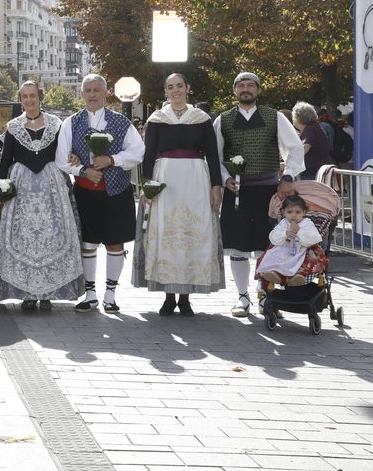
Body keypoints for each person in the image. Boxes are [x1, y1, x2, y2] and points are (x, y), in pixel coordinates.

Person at [131, 74, 224, 316]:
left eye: (179, 86)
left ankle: (185, 297)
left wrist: (216, 186)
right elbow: (148, 155)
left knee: (193, 235)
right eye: (170, 87)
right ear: (165, 92)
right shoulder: (157, 119)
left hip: (195, 180)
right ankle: (168, 296)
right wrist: (146, 186)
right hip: (165, 180)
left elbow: (213, 155)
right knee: (165, 234)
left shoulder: (202, 119)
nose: (175, 91)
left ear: (188, 88)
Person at [0, 82, 84, 309]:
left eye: (32, 96)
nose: (28, 100)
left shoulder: (56, 124)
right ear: (20, 99)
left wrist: (75, 157)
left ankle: (48, 292)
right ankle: (28, 294)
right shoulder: (13, 127)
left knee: (51, 236)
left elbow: (65, 152)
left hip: (52, 189)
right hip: (22, 190)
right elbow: (5, 161)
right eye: (24, 97)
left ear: (40, 98)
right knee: (23, 239)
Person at [213, 72, 303, 317]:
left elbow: (294, 149)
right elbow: (216, 156)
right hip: (237, 192)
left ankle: (265, 296)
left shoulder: (274, 117)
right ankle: (242, 298)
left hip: (268, 192)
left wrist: (288, 177)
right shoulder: (223, 119)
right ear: (234, 90)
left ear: (258, 90)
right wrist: (225, 179)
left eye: (250, 85)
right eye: (240, 85)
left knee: (268, 244)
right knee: (239, 244)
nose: (245, 89)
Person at [56, 74, 144, 313]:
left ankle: (111, 294)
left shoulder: (121, 122)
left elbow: (138, 152)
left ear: (105, 93)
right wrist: (83, 170)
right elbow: (61, 158)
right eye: (88, 90)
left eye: (97, 90)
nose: (92, 94)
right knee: (87, 243)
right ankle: (90, 293)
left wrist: (112, 160)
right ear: (82, 93)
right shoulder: (71, 123)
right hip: (85, 192)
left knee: (115, 243)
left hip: (117, 192)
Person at [254, 194, 328, 287]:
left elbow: (315, 238)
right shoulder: (283, 223)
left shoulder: (307, 223)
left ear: (304, 212)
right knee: (274, 257)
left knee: (308, 260)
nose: (293, 215)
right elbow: (273, 237)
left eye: (297, 212)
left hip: (303, 249)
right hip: (284, 249)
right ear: (283, 212)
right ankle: (274, 273)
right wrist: (284, 234)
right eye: (289, 212)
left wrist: (299, 232)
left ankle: (299, 275)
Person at [293, 102, 332, 181]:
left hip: (312, 173)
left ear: (298, 118)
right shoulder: (316, 127)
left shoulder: (310, 129)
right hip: (319, 171)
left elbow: (306, 146)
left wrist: (290, 160)